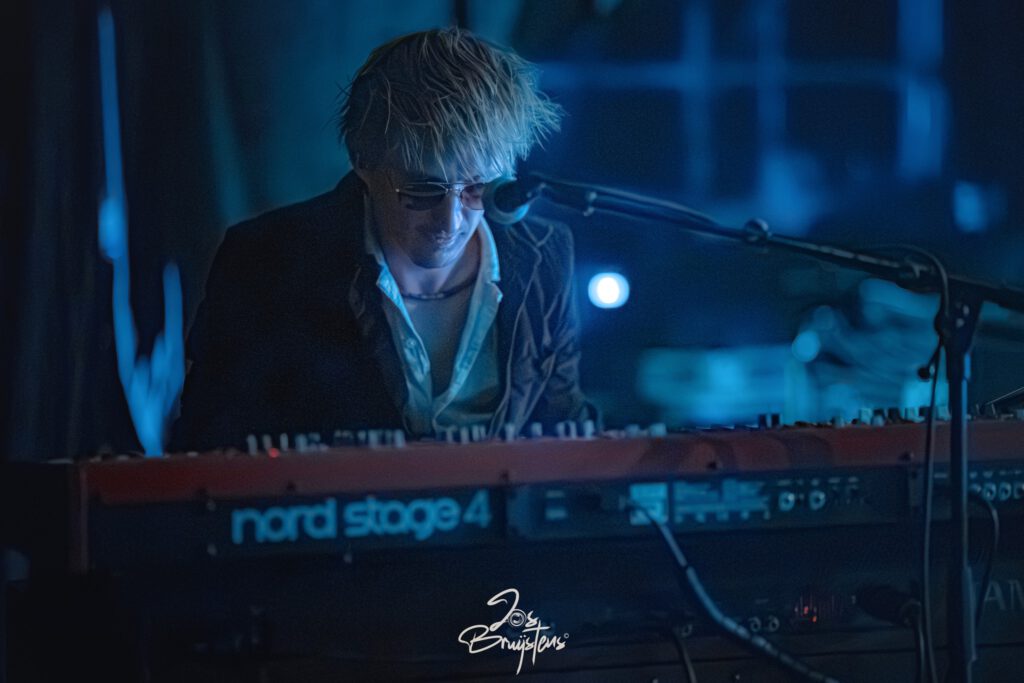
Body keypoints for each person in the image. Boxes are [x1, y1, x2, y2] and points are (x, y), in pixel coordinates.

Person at [171, 27, 594, 452]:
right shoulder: (266, 261)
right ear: (363, 161)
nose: (450, 220)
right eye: (421, 190)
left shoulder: (545, 256)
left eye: (476, 189)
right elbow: (209, 447)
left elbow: (565, 429)